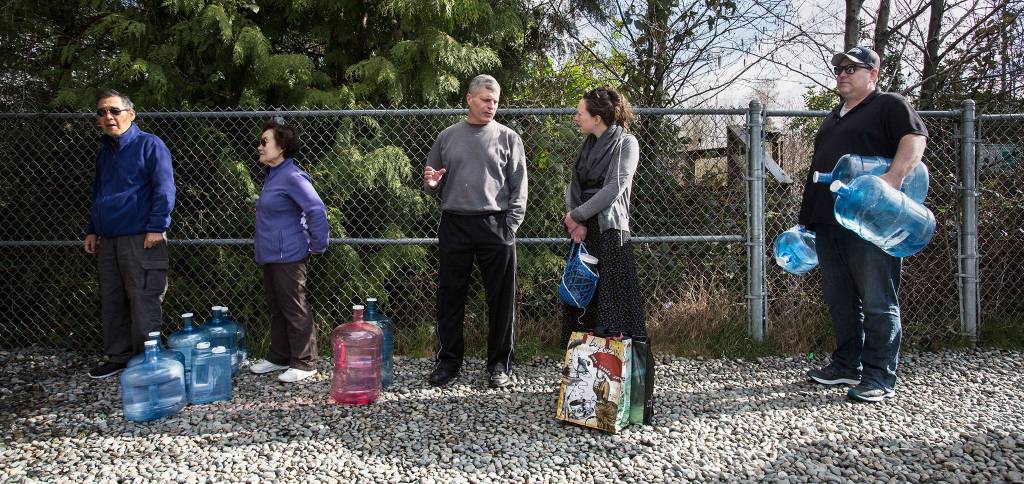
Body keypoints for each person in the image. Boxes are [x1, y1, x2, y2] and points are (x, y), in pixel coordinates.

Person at [800, 46, 928, 403]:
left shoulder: (889, 104)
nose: (843, 73)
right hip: (828, 221)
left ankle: (879, 376)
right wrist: (807, 222)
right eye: (839, 67)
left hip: (870, 221)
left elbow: (914, 140)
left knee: (877, 299)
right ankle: (846, 366)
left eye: (852, 68)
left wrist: (893, 178)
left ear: (873, 74)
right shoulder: (834, 116)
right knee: (840, 300)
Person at [423, 74, 528, 389]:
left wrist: (510, 226)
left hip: (496, 225)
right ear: (469, 99)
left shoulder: (510, 138)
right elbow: (430, 181)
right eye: (485, 99)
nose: (491, 106)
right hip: (454, 223)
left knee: (501, 299)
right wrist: (431, 185)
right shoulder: (447, 137)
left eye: (495, 101)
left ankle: (499, 365)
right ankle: (448, 363)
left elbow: (519, 186)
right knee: (450, 297)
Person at [84, 90, 176, 379]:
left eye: (113, 110)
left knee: (143, 298)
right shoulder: (104, 153)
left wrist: (157, 226)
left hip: (142, 238)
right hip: (108, 239)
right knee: (112, 299)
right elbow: (100, 193)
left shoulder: (150, 145)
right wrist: (92, 229)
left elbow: (164, 187)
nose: (108, 117)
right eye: (101, 113)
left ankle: (147, 360)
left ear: (131, 114)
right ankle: (118, 357)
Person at [561, 87, 645, 345]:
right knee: (583, 296)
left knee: (613, 301)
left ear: (597, 117)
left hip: (609, 232)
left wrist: (578, 215)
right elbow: (574, 186)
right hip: (583, 229)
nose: (576, 117)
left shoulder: (626, 143)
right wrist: (577, 222)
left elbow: (614, 187)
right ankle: (582, 373)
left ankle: (614, 372)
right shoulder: (587, 147)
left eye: (580, 113)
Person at [249, 118, 330, 383]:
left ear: (281, 145)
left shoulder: (292, 175)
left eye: (265, 142)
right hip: (271, 254)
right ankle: (279, 356)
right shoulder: (273, 175)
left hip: (289, 255)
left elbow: (316, 209)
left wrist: (318, 245)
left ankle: (305, 363)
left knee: (295, 306)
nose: (259, 147)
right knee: (277, 307)